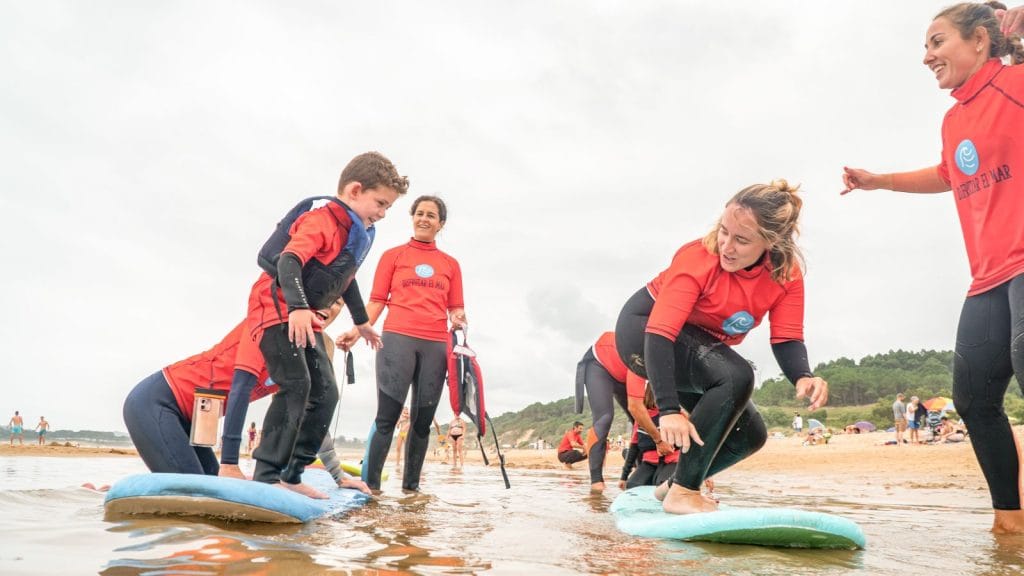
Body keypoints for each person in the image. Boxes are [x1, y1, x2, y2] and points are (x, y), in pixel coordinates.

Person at [841, 3, 1024, 532]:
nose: (926, 56)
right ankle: (1010, 526)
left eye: (937, 42)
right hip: (987, 276)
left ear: (980, 40)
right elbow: (948, 173)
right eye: (925, 46)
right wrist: (880, 181)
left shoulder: (1016, 84)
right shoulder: (954, 119)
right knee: (973, 398)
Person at [615, 179, 829, 515]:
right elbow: (659, 333)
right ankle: (684, 493)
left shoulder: (785, 274)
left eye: (741, 240)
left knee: (750, 435)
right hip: (641, 333)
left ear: (771, 242)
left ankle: (675, 483)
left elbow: (786, 337)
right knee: (736, 375)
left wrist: (802, 375)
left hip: (689, 346)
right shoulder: (699, 257)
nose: (726, 246)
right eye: (724, 231)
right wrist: (669, 410)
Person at [245, 152, 407, 495]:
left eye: (388, 207)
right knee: (296, 385)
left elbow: (346, 280)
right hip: (275, 309)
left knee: (326, 393)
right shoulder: (322, 220)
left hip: (303, 316)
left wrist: (362, 323)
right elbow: (289, 260)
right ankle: (267, 476)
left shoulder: (353, 232)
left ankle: (292, 474)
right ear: (354, 190)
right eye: (380, 203)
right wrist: (298, 307)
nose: (383, 213)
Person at [123, 302, 372, 495]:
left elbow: (312, 420)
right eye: (325, 295)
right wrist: (230, 464)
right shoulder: (268, 322)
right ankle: (127, 493)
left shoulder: (312, 349)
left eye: (338, 302)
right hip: (158, 401)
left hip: (194, 420)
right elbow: (239, 390)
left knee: (213, 493)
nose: (329, 306)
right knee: (197, 496)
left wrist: (339, 476)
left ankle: (130, 491)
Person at [338, 195, 467, 493]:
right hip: (397, 340)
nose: (424, 219)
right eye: (419, 213)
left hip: (435, 346)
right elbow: (376, 302)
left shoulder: (450, 265)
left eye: (431, 215)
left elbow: (456, 308)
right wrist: (357, 331)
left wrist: (459, 319)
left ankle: (411, 492)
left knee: (422, 423)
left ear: (441, 224)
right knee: (387, 418)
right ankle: (371, 490)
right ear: (412, 217)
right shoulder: (393, 256)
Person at [576, 331, 640, 491]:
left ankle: (641, 468)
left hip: (627, 372)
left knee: (640, 420)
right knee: (604, 418)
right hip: (600, 363)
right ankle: (596, 482)